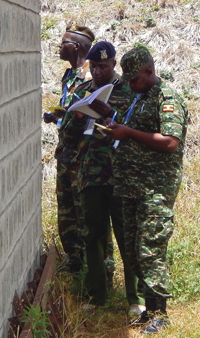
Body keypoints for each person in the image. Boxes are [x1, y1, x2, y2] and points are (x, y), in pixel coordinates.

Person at [105, 46, 188, 333]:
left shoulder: (167, 99)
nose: (130, 84)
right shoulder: (140, 98)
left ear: (149, 71)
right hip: (132, 188)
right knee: (133, 250)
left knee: (150, 250)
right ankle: (148, 310)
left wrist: (127, 132)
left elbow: (170, 142)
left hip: (155, 190)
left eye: (134, 79)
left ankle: (159, 315)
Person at [61, 42, 144, 312]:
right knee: (93, 236)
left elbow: (139, 128)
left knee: (126, 236)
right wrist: (76, 115)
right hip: (90, 176)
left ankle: (135, 299)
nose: (97, 72)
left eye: (103, 67)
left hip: (120, 176)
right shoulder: (82, 92)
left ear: (114, 66)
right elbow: (68, 138)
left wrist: (111, 114)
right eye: (94, 66)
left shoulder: (129, 93)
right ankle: (97, 297)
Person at [42, 25, 95, 272]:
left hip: (82, 158)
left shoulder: (90, 77)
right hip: (65, 155)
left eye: (63, 42)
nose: (59, 46)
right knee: (66, 214)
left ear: (76, 47)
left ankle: (95, 268)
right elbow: (73, 110)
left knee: (85, 213)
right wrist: (58, 115)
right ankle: (74, 263)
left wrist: (64, 119)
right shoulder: (70, 75)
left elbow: (90, 116)